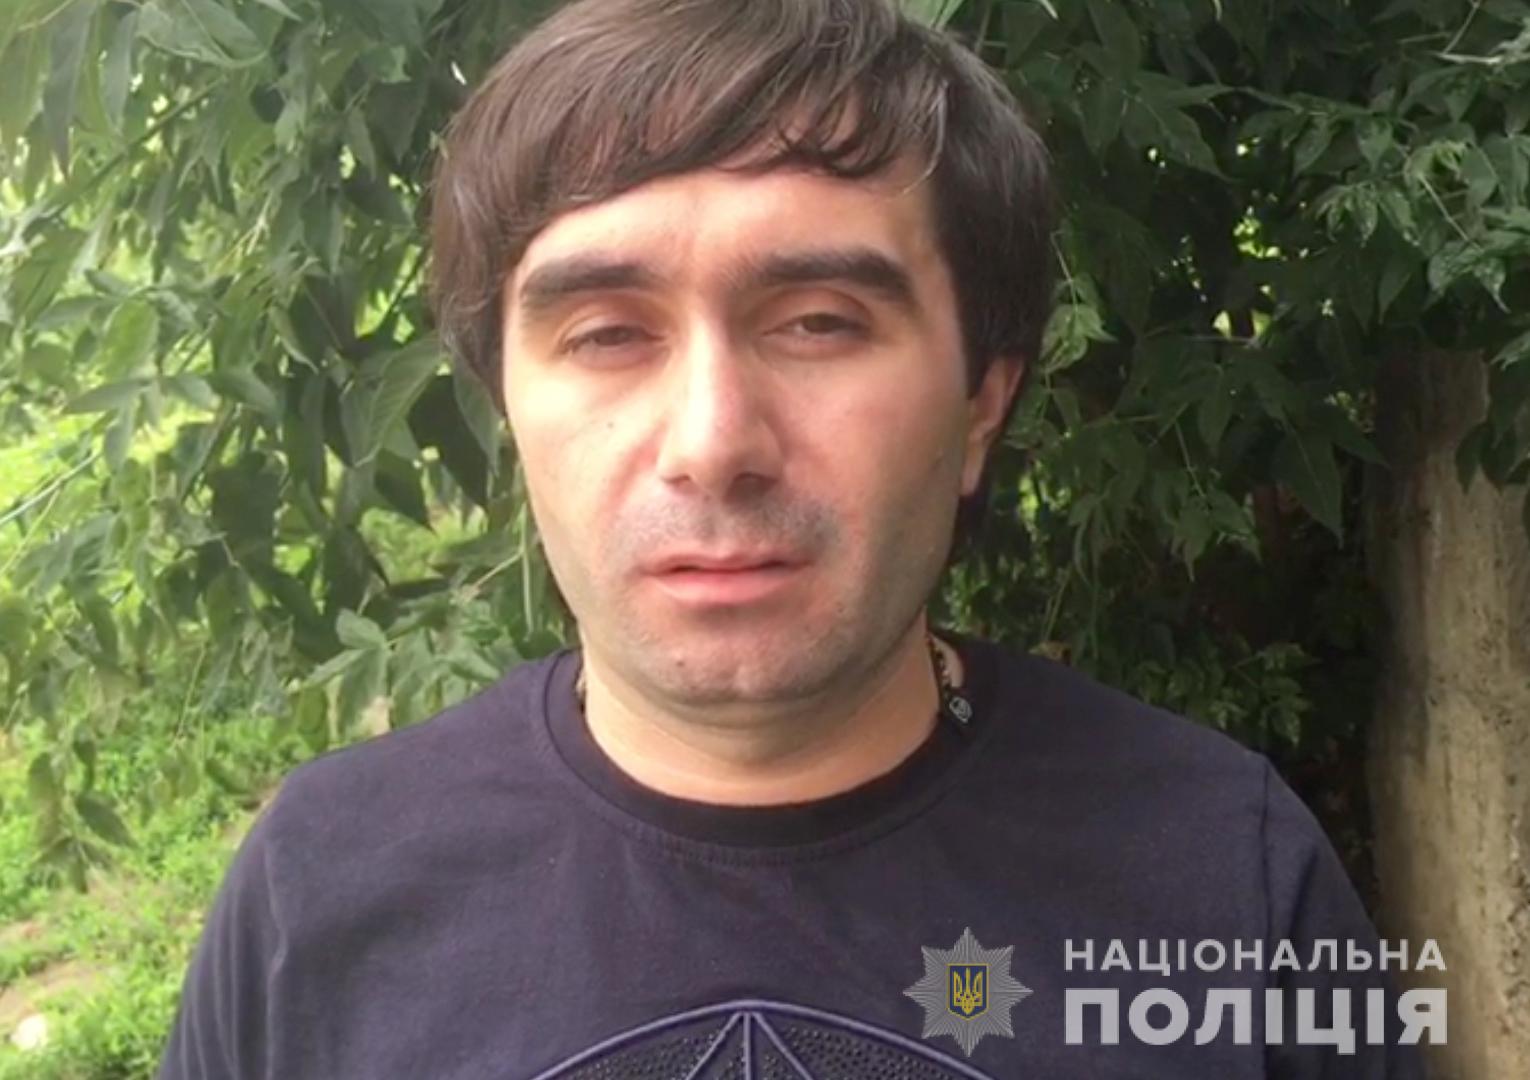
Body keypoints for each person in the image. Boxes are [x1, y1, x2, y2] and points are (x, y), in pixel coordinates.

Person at [158, 1, 1427, 1077]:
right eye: (606, 333)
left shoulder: (1227, 875)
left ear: (981, 407)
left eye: (819, 322)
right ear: (508, 409)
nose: (713, 442)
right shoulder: (318, 891)